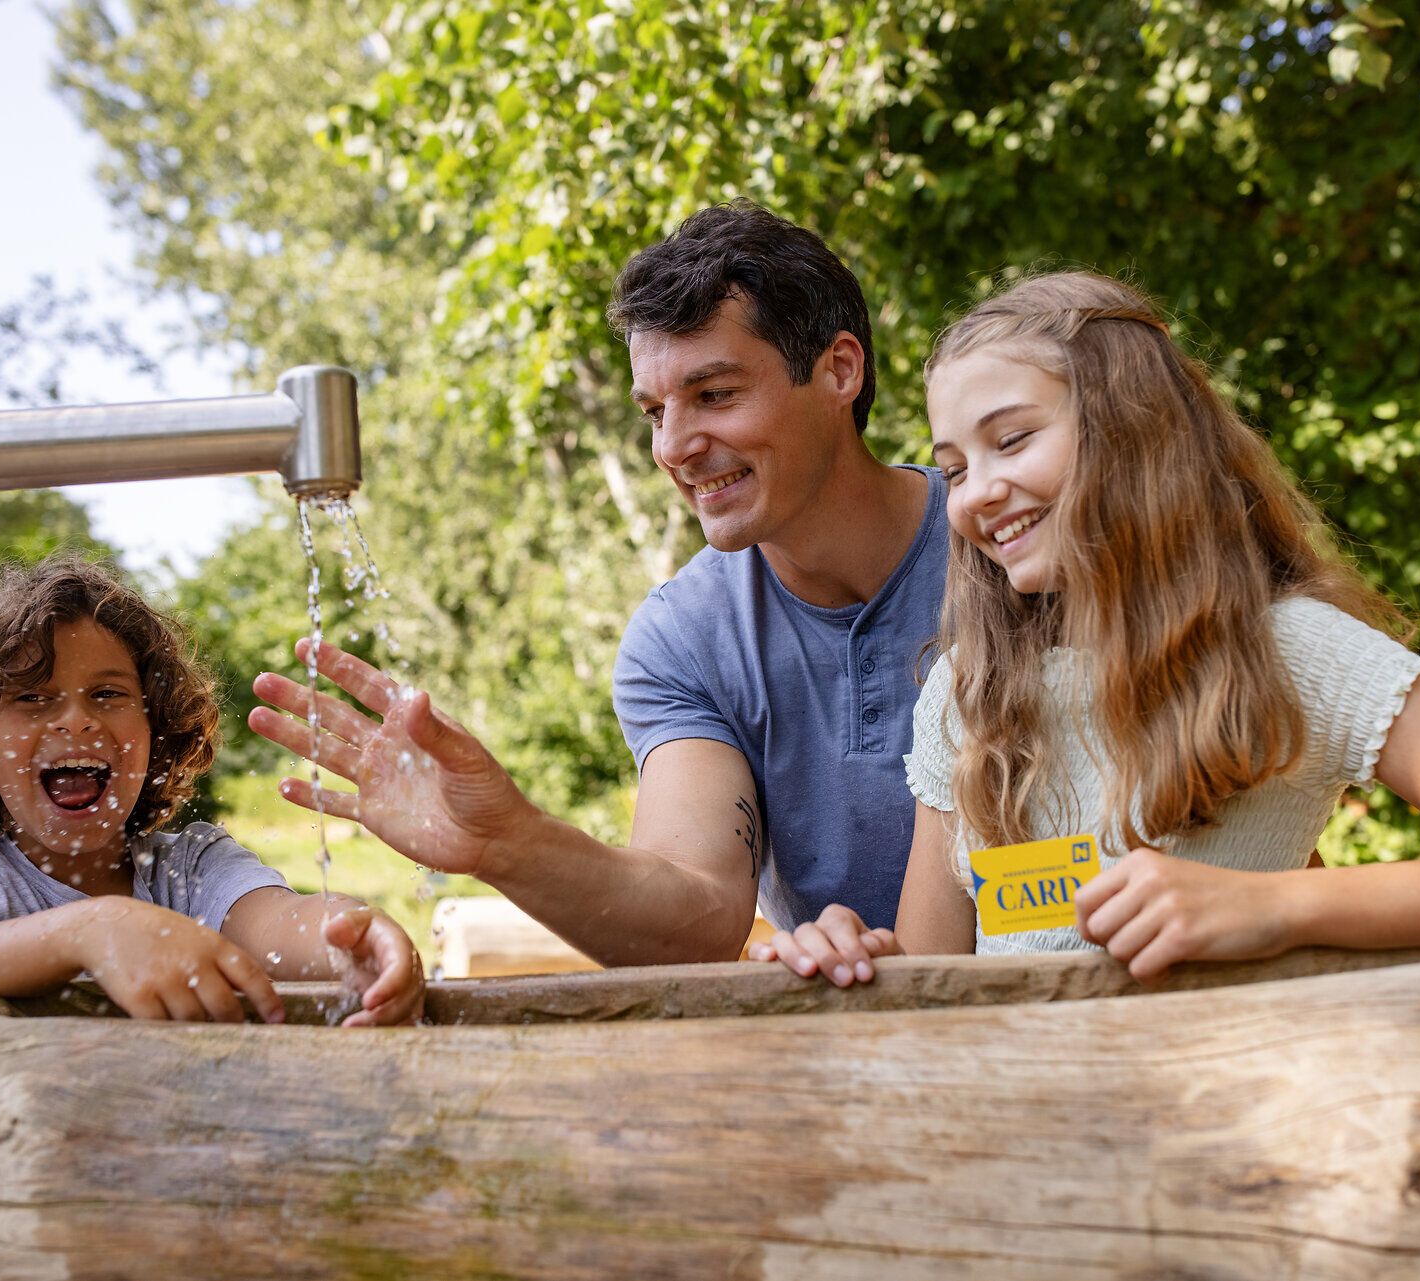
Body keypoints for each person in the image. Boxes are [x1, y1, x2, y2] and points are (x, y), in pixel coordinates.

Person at [753, 269, 1420, 987]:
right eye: (953, 467)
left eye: (1014, 439)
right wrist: (851, 955)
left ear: (1131, 431)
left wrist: (1280, 909)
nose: (976, 491)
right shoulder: (968, 691)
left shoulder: (1292, 652)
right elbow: (939, 978)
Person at [249, 202, 949, 964]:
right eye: (655, 411)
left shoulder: (1015, 542)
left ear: (838, 371)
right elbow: (701, 908)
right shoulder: (682, 638)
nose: (675, 446)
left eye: (714, 395)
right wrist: (509, 844)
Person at [0, 555, 424, 1157]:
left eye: (107, 693)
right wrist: (93, 928)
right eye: (32, 698)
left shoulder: (192, 869)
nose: (76, 719)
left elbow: (278, 924)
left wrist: (352, 938)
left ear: (155, 729)